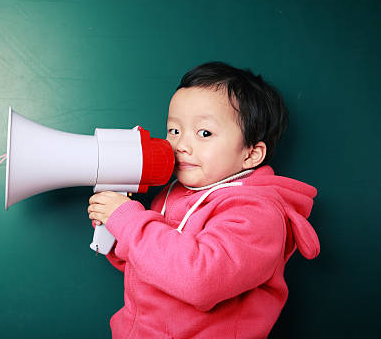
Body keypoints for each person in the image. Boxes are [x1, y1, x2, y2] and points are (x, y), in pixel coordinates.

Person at [87, 61, 320, 338]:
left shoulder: (257, 213)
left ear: (251, 153)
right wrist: (115, 234)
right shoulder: (172, 193)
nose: (181, 145)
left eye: (204, 133)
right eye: (174, 130)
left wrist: (129, 222)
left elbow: (200, 280)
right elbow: (151, 267)